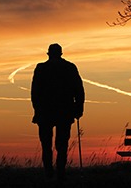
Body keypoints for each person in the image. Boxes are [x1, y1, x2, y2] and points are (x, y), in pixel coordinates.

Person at [31, 43, 85, 180]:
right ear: (60, 54)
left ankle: (49, 173)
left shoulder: (41, 68)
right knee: (62, 145)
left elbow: (34, 92)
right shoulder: (70, 68)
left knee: (46, 145)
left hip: (45, 112)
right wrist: (79, 109)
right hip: (64, 111)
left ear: (49, 54)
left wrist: (37, 109)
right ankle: (60, 172)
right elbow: (79, 90)